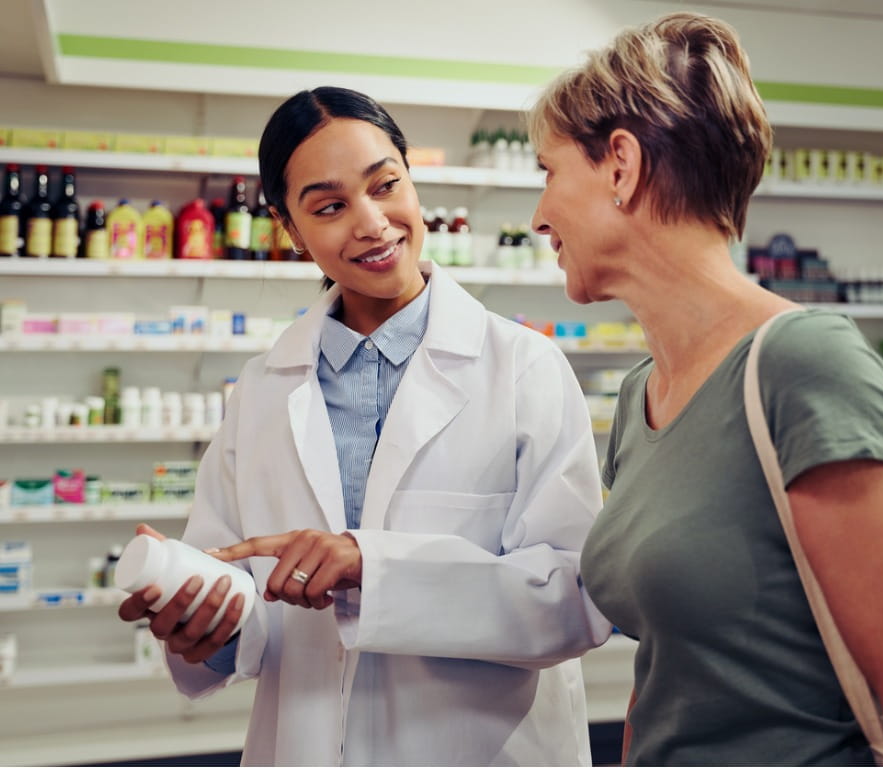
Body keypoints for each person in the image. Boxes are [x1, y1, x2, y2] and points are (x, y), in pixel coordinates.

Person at [527, 11, 883, 767]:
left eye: (548, 173)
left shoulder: (804, 366)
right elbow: (671, 669)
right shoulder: (645, 396)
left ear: (620, 164)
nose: (540, 215)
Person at [117, 86, 611, 766]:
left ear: (411, 178)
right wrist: (205, 625)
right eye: (329, 207)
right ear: (290, 230)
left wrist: (370, 567)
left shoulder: (525, 369)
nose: (372, 223)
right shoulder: (263, 391)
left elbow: (576, 598)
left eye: (386, 186)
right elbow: (242, 602)